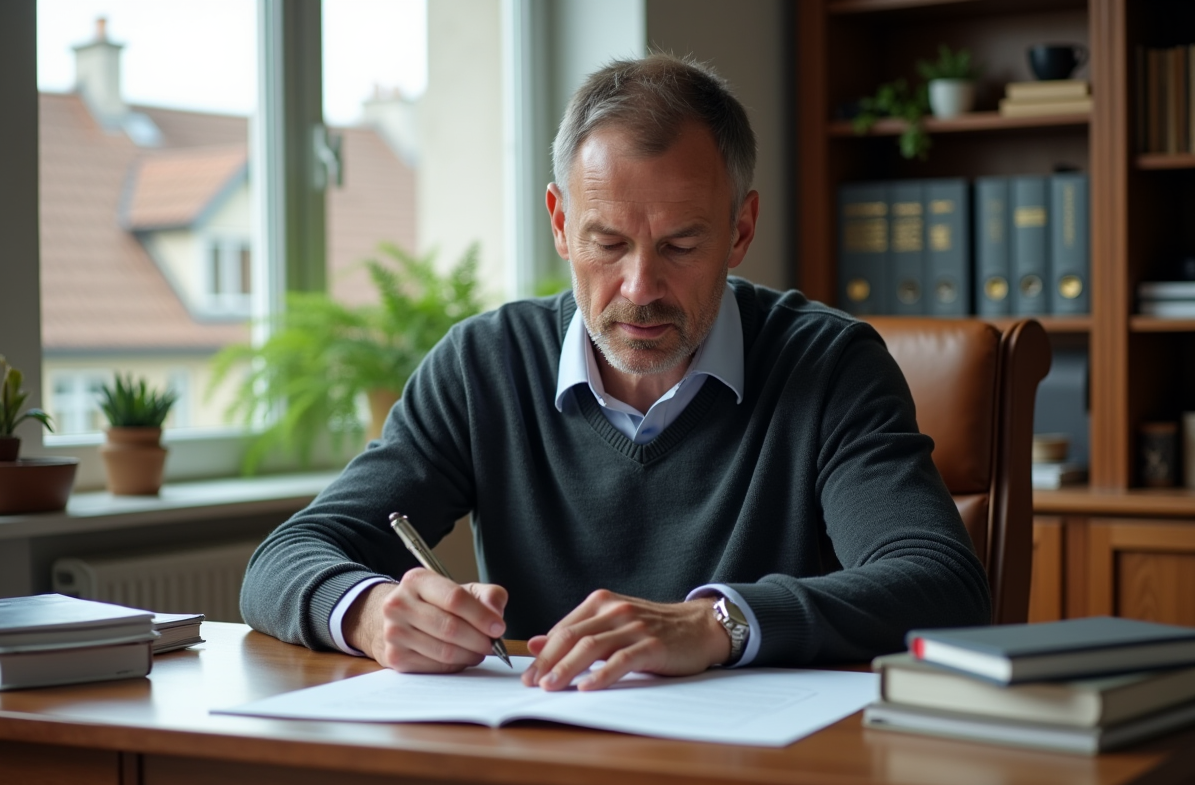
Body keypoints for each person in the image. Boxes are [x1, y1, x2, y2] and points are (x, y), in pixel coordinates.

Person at [240, 53, 990, 692]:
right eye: (606, 243)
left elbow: (940, 584)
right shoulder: (483, 367)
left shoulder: (827, 365)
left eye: (681, 245)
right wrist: (372, 612)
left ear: (742, 229)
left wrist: (717, 621)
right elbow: (283, 559)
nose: (639, 288)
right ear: (561, 224)